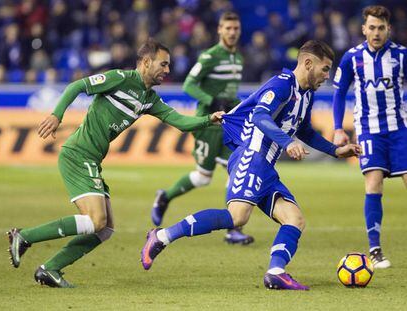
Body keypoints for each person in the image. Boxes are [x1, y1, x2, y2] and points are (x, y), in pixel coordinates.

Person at [141, 40, 361, 290]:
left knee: (294, 219)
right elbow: (259, 115)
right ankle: (161, 236)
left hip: (267, 167)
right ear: (308, 63)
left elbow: (306, 131)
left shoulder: (306, 95)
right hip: (252, 155)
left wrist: (335, 150)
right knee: (237, 217)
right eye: (324, 69)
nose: (326, 76)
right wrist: (287, 142)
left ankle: (276, 272)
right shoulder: (282, 84)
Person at [6, 38, 224, 288]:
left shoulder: (149, 98)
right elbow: (76, 85)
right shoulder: (121, 78)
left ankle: (50, 268)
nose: (167, 70)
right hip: (79, 154)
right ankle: (25, 236)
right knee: (96, 221)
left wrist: (209, 119)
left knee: (105, 229)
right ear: (145, 62)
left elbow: (180, 121)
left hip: (92, 159)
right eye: (163, 64)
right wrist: (57, 115)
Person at [151, 12, 254, 245]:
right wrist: (211, 100)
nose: (232, 32)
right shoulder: (210, 56)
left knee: (239, 170)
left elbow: (228, 93)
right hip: (209, 123)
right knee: (202, 178)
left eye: (236, 28)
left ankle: (234, 228)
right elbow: (189, 84)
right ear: (219, 30)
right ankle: (165, 196)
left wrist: (240, 106)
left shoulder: (238, 56)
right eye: (228, 28)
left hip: (228, 123)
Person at [332, 5, 407, 269]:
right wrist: (338, 127)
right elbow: (339, 93)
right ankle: (375, 250)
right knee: (374, 183)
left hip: (400, 129)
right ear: (364, 29)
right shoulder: (351, 57)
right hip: (368, 129)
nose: (376, 33)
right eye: (372, 28)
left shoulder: (401, 56)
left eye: (381, 28)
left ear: (389, 29)